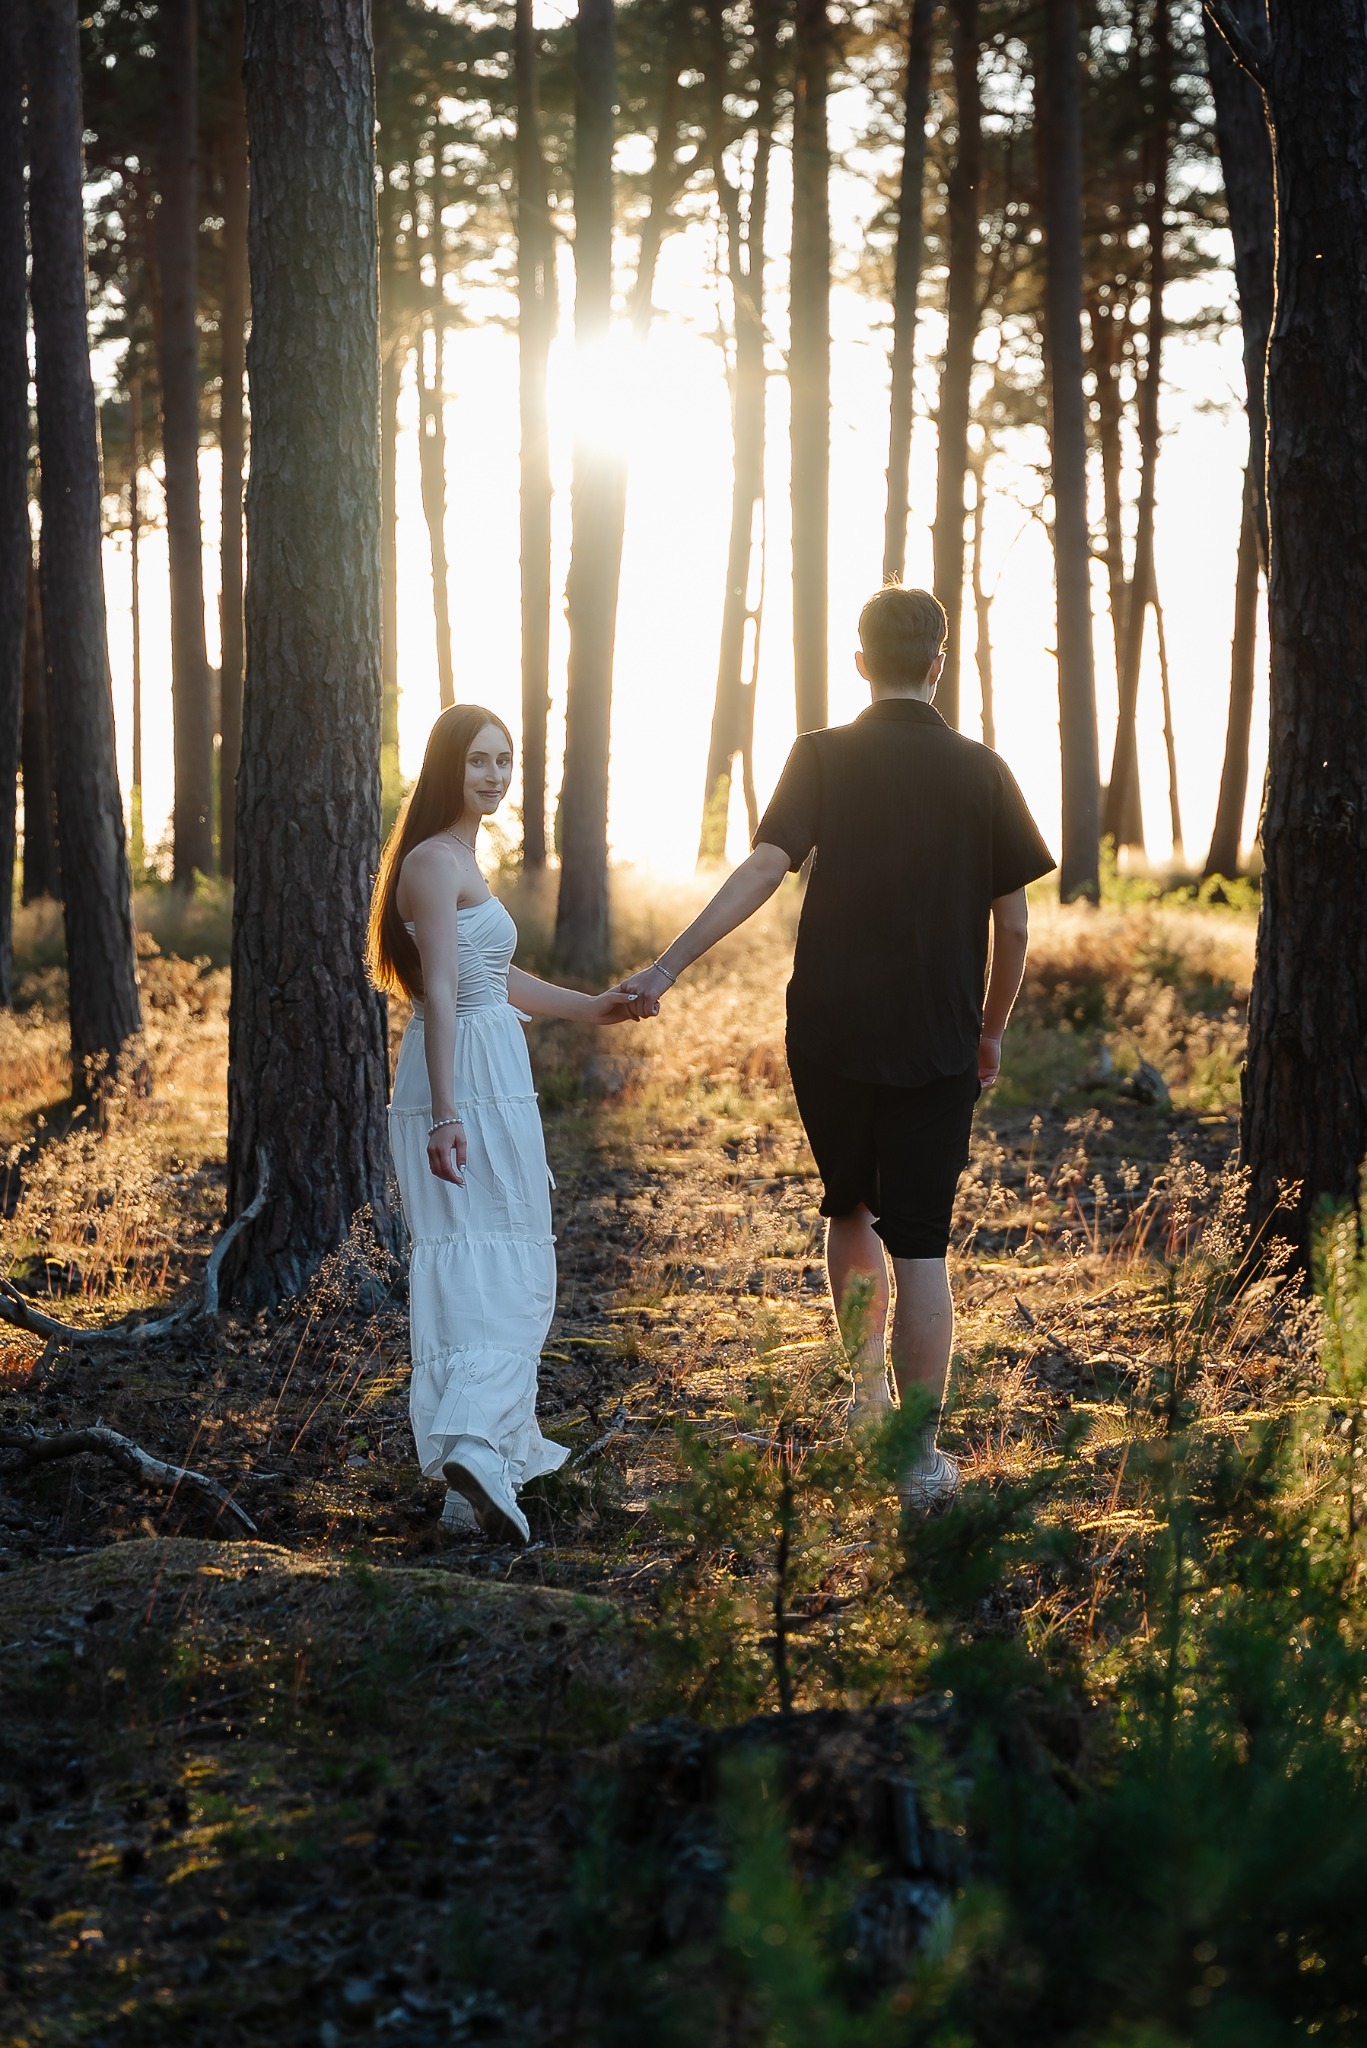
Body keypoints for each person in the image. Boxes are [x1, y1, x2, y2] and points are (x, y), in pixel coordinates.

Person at [622, 586, 1055, 1510]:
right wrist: (990, 1030)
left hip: (827, 1030)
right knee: (923, 1247)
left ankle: (865, 1400)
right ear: (937, 663)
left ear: (858, 663)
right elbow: (1012, 928)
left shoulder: (818, 755)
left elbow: (763, 869)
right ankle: (913, 1455)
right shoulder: (984, 770)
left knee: (849, 1207)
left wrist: (665, 969)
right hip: (938, 1038)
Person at [367, 704, 641, 1545]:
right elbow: (440, 994)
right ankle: (478, 1449)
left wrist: (593, 1010)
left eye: (506, 761)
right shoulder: (429, 861)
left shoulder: (458, 860)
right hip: (461, 1081)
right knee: (488, 1264)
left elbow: (497, 975)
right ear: (448, 766)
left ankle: (468, 1485)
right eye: (479, 760)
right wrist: (446, 1116)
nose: (493, 775)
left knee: (503, 1255)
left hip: (490, 1069)